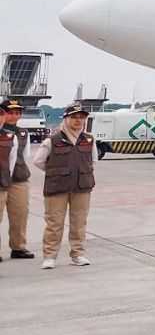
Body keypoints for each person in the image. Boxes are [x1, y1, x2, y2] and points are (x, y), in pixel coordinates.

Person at [35, 102, 95, 270]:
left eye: (81, 117)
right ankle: (50, 256)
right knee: (54, 222)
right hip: (57, 187)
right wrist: (57, 172)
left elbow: (93, 161)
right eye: (73, 117)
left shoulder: (89, 140)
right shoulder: (52, 140)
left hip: (81, 187)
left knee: (79, 222)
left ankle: (78, 254)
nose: (78, 120)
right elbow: (38, 161)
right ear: (66, 119)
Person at [1, 100, 34, 261]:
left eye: (18, 112)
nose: (15, 115)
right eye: (11, 112)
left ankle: (18, 247)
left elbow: (25, 156)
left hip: (19, 180)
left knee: (20, 214)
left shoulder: (23, 133)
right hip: (1, 180)